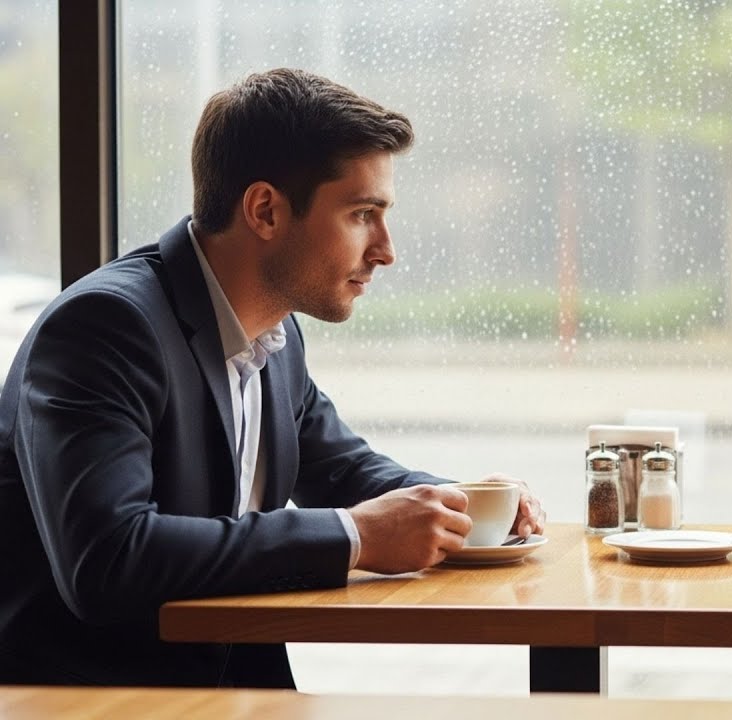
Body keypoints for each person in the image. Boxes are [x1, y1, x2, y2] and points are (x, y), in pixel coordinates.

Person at [0, 68, 546, 688]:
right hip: (101, 698)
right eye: (362, 213)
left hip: (229, 689)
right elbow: (108, 562)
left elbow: (341, 469)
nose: (386, 249)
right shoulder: (107, 327)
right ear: (264, 210)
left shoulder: (272, 334)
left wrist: (463, 501)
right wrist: (357, 536)